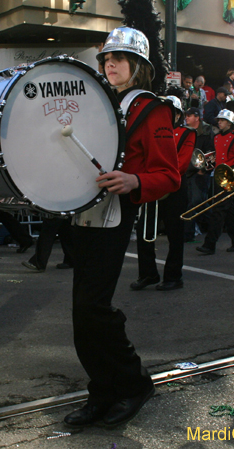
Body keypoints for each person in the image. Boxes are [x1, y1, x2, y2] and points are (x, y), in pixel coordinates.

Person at [62, 21, 179, 428]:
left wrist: (135, 180)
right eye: (106, 58)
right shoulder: (98, 103)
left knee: (92, 307)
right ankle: (102, 390)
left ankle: (132, 383)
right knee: (82, 312)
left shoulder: (151, 108)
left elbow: (169, 174)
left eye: (119, 58)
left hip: (115, 211)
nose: (110, 63)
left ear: (138, 65)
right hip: (83, 211)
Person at [132, 95, 195, 291]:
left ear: (178, 115)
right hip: (154, 186)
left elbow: (182, 164)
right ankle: (148, 273)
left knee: (175, 235)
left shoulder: (187, 134)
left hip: (174, 188)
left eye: (172, 113)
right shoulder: (152, 130)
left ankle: (174, 276)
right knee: (144, 232)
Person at [195, 109, 234, 256]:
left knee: (218, 211)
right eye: (219, 120)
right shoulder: (217, 138)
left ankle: (210, 244)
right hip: (218, 176)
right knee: (227, 212)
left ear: (230, 123)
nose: (219, 122)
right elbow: (217, 158)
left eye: (222, 120)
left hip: (230, 178)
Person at [183, 107, 213, 242]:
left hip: (199, 171)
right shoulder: (187, 131)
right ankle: (215, 223)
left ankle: (188, 233)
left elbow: (211, 152)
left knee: (195, 203)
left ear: (197, 117)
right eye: (186, 115)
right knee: (197, 203)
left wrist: (204, 169)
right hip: (189, 170)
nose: (186, 118)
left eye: (189, 116)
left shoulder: (206, 132)